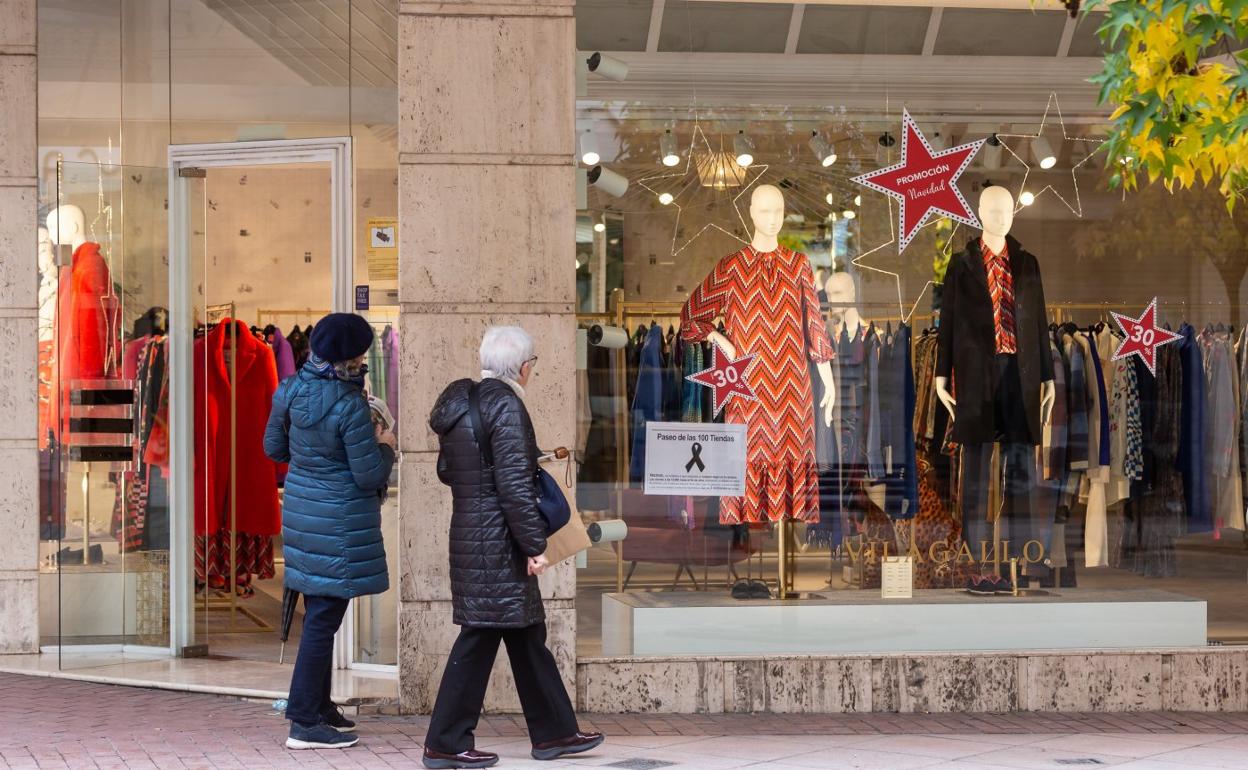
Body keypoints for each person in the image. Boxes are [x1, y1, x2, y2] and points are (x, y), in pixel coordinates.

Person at [424, 326, 603, 770]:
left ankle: (555, 732)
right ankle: (445, 742)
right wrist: (534, 544)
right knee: (480, 637)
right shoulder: (506, 405)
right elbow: (514, 487)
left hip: (472, 534)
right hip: (498, 542)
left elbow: (449, 472)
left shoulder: (461, 404)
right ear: (524, 367)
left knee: (526, 635)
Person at [264, 312, 397, 750]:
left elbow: (274, 448)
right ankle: (303, 720)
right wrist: (386, 447)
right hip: (338, 520)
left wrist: (312, 460)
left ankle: (319, 707)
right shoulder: (349, 405)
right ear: (352, 357)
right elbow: (366, 473)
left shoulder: (290, 388)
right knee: (323, 620)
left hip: (303, 513)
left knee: (322, 613)